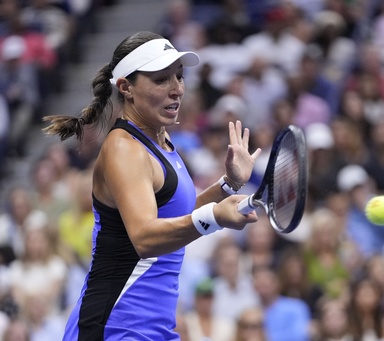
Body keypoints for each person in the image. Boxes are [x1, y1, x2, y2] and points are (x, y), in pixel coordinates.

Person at [41, 31, 261, 340]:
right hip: (114, 326)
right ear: (126, 88)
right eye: (161, 80)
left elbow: (173, 216)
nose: (177, 90)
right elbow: (145, 238)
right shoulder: (124, 148)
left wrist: (228, 185)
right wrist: (214, 217)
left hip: (151, 328)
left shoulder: (162, 140)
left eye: (179, 77)